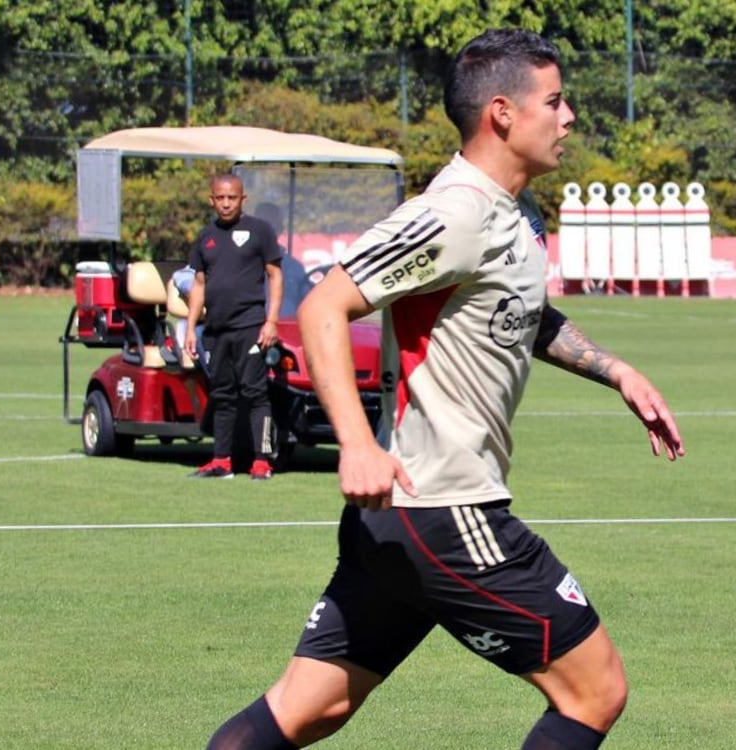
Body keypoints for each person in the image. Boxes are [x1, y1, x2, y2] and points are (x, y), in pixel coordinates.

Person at [205, 29, 684, 749]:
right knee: (595, 692)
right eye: (554, 102)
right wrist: (357, 444)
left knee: (307, 710)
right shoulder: (454, 211)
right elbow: (323, 306)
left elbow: (520, 312)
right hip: (446, 509)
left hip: (402, 523)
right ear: (501, 113)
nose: (569, 117)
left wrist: (615, 370)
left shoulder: (512, 216)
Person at [184, 174, 283, 481]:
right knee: (222, 395)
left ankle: (262, 462)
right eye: (220, 198)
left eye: (232, 198)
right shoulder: (205, 236)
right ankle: (221, 461)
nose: (226, 203)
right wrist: (190, 328)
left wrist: (272, 321)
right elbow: (199, 284)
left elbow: (275, 276)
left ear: (243, 199)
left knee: (255, 394)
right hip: (215, 331)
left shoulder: (260, 231)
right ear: (211, 200)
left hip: (250, 327)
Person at [251, 201, 311, 319]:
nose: (266, 233)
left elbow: (308, 307)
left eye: (272, 227)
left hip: (289, 332)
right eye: (262, 227)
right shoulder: (239, 264)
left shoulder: (295, 269)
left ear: (280, 229)